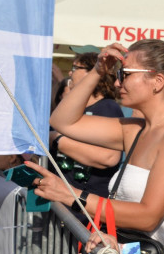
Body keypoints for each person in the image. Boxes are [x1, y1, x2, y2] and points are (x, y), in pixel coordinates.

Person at [30, 39, 164, 254]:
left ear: (157, 81)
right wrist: (97, 70)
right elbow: (62, 121)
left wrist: (72, 195)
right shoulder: (135, 129)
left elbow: (148, 216)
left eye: (125, 74)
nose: (116, 83)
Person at [50, 51, 123, 200]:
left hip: (87, 206)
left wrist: (57, 140)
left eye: (75, 68)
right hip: (62, 203)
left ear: (90, 72)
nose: (70, 72)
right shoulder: (71, 112)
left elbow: (109, 157)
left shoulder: (108, 108)